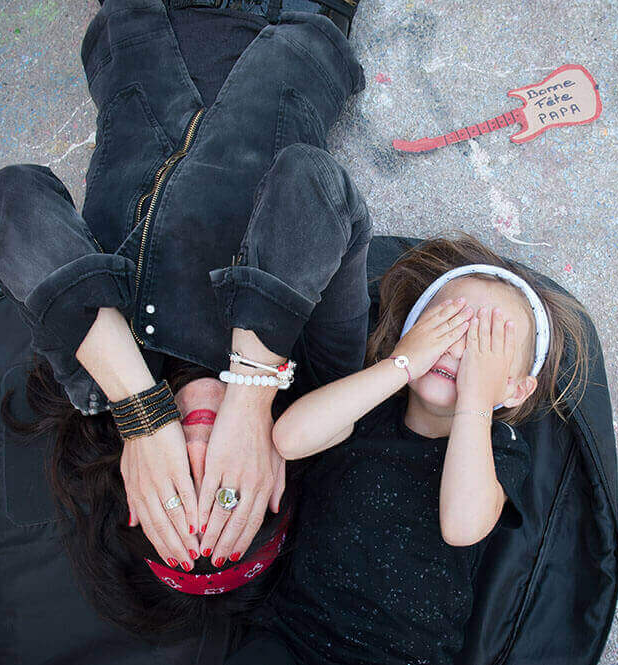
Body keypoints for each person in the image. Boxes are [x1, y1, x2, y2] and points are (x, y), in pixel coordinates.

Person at [0, 0, 368, 640]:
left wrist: (142, 411)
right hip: (298, 18)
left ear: (136, 490)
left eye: (180, 493)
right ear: (271, 485)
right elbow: (313, 184)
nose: (204, 453)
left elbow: (7, 201)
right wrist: (250, 397)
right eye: (228, 490)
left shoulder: (96, 373)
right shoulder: (322, 378)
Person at [225, 234, 593, 664]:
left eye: (484, 345)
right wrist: (399, 365)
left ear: (515, 390)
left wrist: (475, 397)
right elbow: (289, 439)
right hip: (291, 636)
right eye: (446, 325)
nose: (457, 348)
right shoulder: (368, 406)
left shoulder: (501, 449)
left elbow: (462, 525)